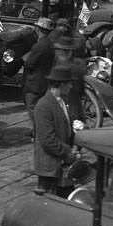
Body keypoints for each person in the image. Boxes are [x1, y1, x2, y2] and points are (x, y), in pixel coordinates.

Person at [33, 65, 80, 198]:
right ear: (62, 84)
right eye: (69, 83)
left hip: (61, 167)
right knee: (49, 207)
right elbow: (48, 140)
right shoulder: (44, 106)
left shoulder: (61, 102)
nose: (71, 87)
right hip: (50, 169)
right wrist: (68, 153)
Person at [22, 17, 55, 140]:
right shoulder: (49, 44)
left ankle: (38, 133)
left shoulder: (39, 45)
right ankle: (36, 131)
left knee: (33, 109)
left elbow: (29, 63)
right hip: (44, 81)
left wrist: (26, 59)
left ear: (38, 29)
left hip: (34, 82)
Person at [52, 36, 86, 122]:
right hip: (76, 109)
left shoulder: (57, 69)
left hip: (64, 111)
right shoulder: (78, 68)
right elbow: (81, 91)